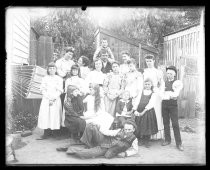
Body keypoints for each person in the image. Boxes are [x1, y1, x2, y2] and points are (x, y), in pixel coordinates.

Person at [67, 119, 138, 159]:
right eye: (126, 129)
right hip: (103, 140)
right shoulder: (119, 130)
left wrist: (125, 153)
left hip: (105, 149)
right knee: (90, 126)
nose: (127, 131)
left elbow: (135, 150)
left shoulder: (134, 139)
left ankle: (72, 149)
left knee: (83, 154)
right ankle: (88, 145)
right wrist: (98, 127)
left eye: (129, 129)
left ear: (133, 129)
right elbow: (107, 132)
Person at [37, 62, 63, 140]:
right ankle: (46, 133)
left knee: (54, 115)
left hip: (55, 99)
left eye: (53, 68)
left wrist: (53, 98)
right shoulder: (45, 78)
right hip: (46, 99)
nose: (51, 70)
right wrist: (48, 98)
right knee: (46, 115)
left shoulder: (59, 79)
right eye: (50, 68)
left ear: (56, 69)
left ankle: (54, 133)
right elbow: (42, 90)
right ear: (48, 69)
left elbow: (60, 90)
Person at [161, 66, 184, 151]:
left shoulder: (177, 83)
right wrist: (169, 94)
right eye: (167, 73)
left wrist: (168, 94)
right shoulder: (164, 83)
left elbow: (175, 95)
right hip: (164, 105)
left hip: (173, 106)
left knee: (175, 124)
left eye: (171, 73)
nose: (169, 75)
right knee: (165, 123)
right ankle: (167, 140)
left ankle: (179, 143)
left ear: (174, 74)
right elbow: (161, 94)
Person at [143, 54, 165, 140]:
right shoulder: (144, 71)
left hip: (155, 93)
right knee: (147, 112)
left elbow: (162, 83)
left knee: (156, 112)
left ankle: (157, 134)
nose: (149, 63)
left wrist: (160, 92)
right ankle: (147, 133)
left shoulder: (158, 71)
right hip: (147, 92)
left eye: (150, 61)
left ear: (154, 61)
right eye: (147, 61)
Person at [134, 78, 158, 148]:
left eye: (148, 84)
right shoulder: (141, 92)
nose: (147, 85)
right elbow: (137, 101)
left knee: (147, 126)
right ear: (144, 85)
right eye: (146, 84)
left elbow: (151, 104)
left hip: (148, 111)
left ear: (151, 85)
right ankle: (141, 139)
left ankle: (147, 140)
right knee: (140, 125)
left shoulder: (153, 93)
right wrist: (135, 110)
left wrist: (143, 112)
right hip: (139, 110)